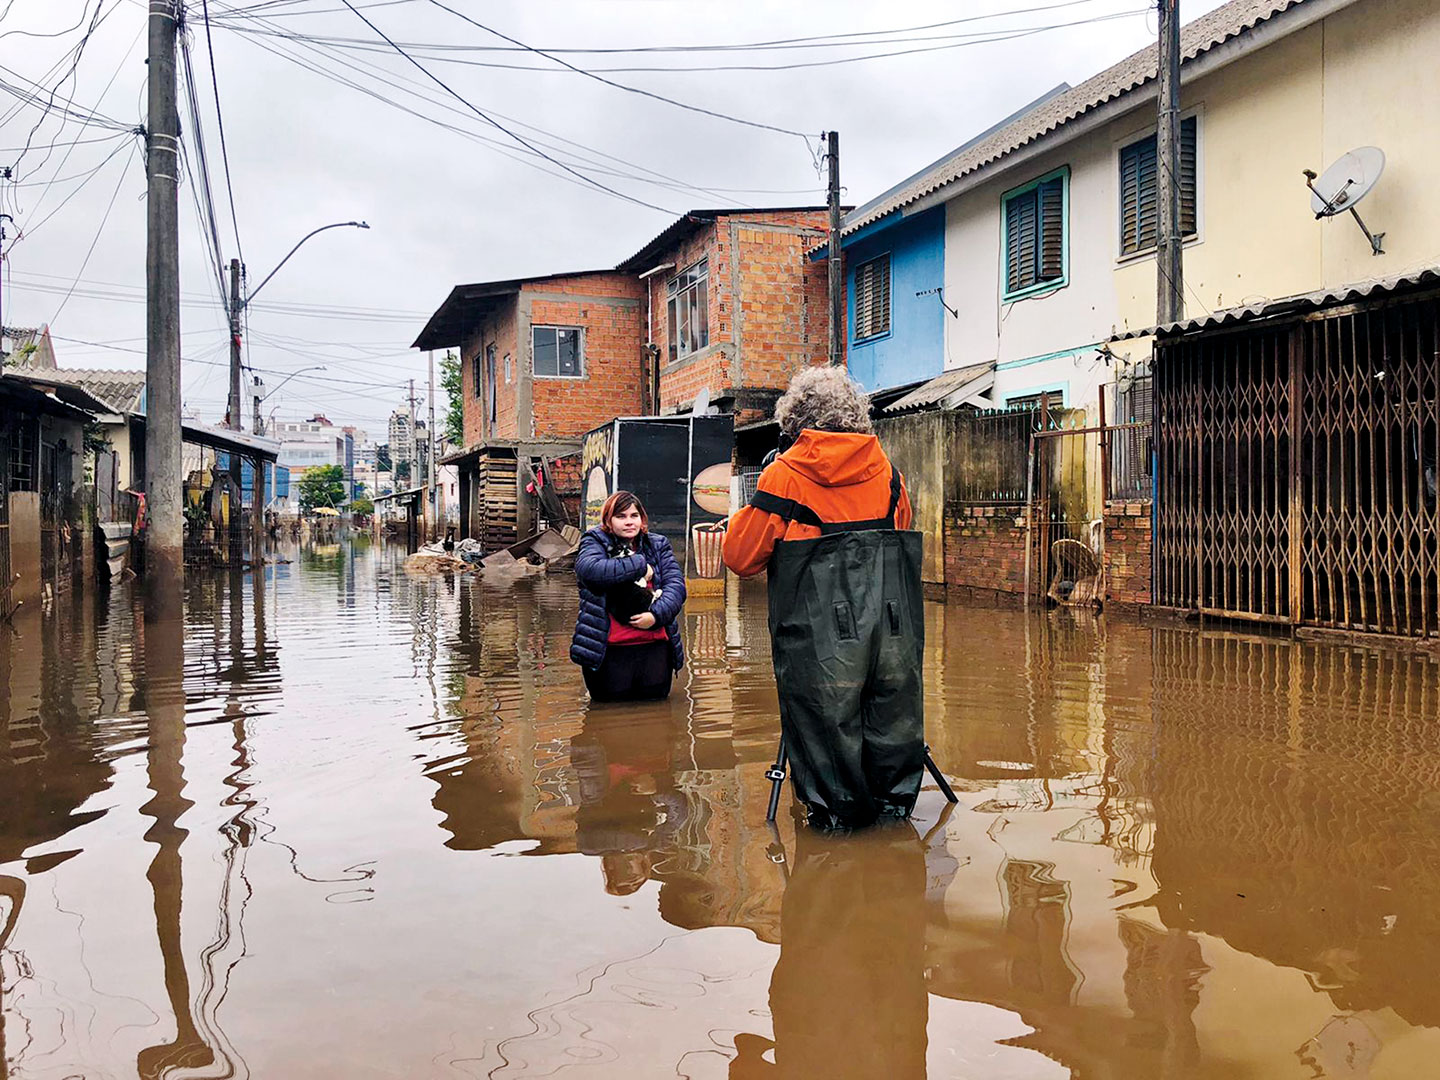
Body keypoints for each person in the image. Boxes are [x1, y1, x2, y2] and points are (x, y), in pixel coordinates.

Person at [723, 366, 923, 831]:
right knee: (889, 717)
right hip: (891, 632)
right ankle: (893, 818)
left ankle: (836, 827)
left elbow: (741, 557)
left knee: (823, 726)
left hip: (820, 643)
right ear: (855, 417)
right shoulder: (889, 474)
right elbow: (899, 534)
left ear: (795, 422)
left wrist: (744, 516)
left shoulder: (784, 477)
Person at [572, 491, 687, 702]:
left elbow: (676, 588)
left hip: (654, 648)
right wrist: (640, 566)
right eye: (621, 516)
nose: (628, 522)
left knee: (655, 715)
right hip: (609, 650)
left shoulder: (658, 544)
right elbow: (590, 570)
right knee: (608, 716)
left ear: (642, 518)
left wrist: (655, 616)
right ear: (608, 519)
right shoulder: (595, 541)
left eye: (634, 516)